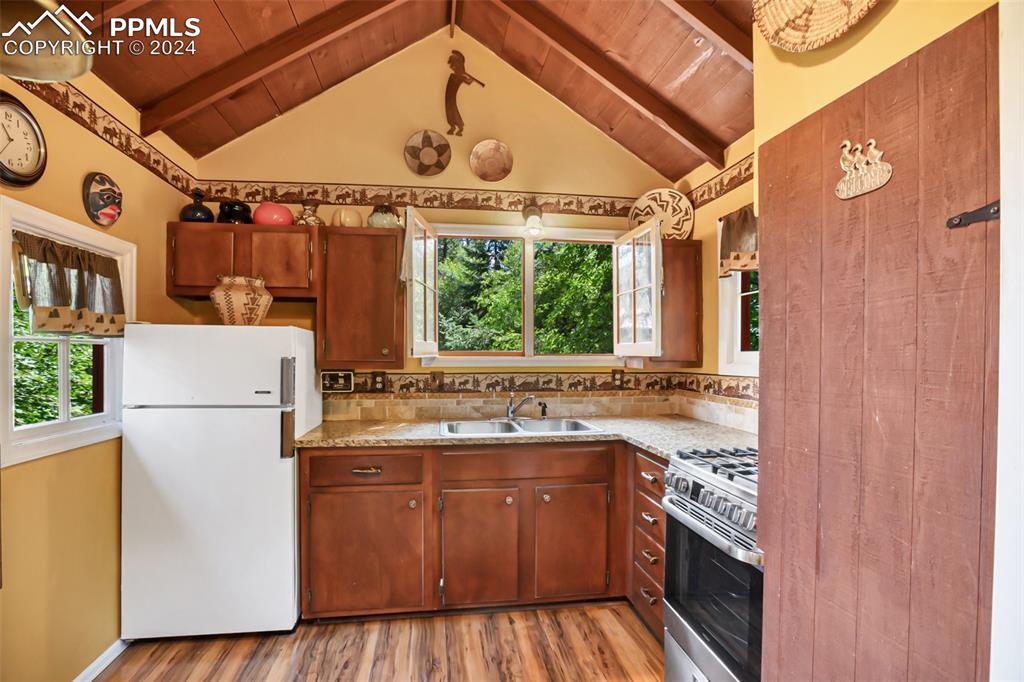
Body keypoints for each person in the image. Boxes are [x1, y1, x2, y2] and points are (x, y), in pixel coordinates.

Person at [445, 50, 484, 136]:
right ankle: (452, 126)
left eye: (454, 66)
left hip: (451, 98)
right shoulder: (453, 76)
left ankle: (459, 127)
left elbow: (468, 81)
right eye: (452, 66)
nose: (453, 67)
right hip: (448, 97)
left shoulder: (460, 77)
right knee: (449, 110)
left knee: (453, 110)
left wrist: (472, 80)